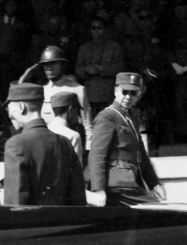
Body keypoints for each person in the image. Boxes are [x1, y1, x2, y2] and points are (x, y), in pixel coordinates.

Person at [2, 83, 87, 206]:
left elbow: (15, 201)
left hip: (31, 223)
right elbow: (78, 197)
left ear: (21, 107)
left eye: (8, 108)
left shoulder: (16, 144)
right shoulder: (65, 143)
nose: (8, 113)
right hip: (62, 222)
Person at [89, 72, 166, 206]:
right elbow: (97, 155)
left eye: (133, 93)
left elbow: (141, 154)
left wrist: (154, 184)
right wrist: (98, 189)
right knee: (155, 211)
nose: (128, 97)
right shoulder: (107, 116)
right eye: (124, 92)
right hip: (115, 184)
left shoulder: (132, 117)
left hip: (129, 183)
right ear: (115, 91)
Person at [19, 45, 92, 148]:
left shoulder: (77, 89)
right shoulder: (42, 90)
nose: (49, 68)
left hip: (68, 144)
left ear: (62, 64)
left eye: (53, 63)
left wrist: (88, 147)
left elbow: (87, 123)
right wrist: (27, 74)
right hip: (45, 144)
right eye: (45, 64)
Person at [76, 17, 125, 119]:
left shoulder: (114, 46)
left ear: (105, 29)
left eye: (99, 28)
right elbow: (77, 69)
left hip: (108, 92)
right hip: (90, 92)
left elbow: (120, 68)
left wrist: (102, 68)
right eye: (93, 28)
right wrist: (86, 70)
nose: (96, 31)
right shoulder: (84, 48)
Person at [0, 0, 30, 96]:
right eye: (9, 4)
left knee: (8, 83)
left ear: (17, 7)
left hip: (11, 59)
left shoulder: (20, 25)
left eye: (14, 5)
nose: (11, 7)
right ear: (5, 6)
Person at [46, 91, 84, 160]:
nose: (77, 115)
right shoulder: (73, 136)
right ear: (71, 109)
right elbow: (77, 168)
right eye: (77, 110)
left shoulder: (44, 130)